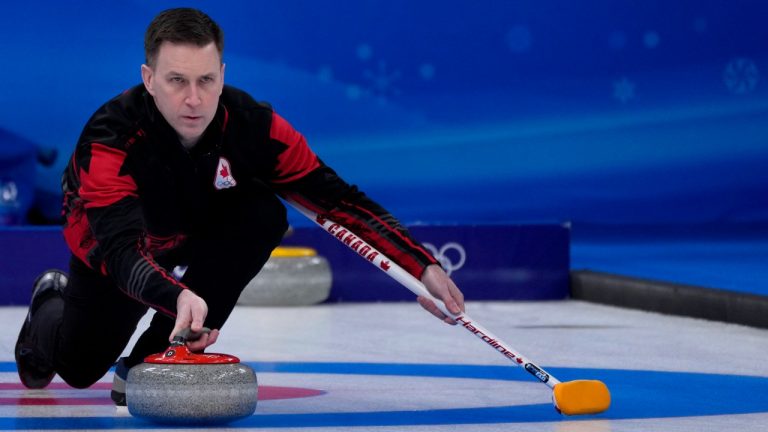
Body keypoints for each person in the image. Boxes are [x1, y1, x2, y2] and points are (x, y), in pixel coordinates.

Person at [14, 7, 465, 404]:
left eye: (206, 80)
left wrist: (420, 266)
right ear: (149, 80)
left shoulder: (255, 127)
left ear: (222, 76)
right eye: (176, 81)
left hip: (191, 227)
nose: (194, 99)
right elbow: (121, 253)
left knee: (264, 212)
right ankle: (50, 302)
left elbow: (337, 200)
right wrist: (177, 294)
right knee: (78, 369)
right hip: (116, 249)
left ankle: (153, 358)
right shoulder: (109, 141)